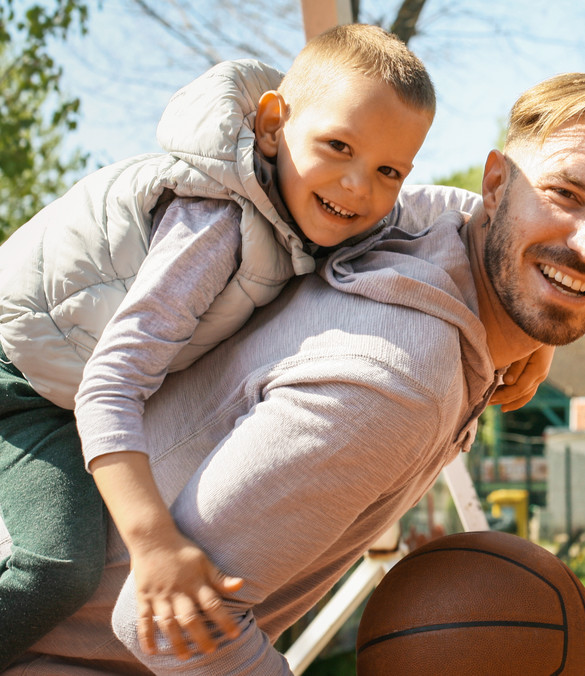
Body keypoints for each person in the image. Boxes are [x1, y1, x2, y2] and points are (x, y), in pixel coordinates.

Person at [1, 69, 585, 675]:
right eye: (566, 194)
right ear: (498, 184)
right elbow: (165, 635)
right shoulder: (396, 384)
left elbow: (453, 208)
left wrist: (544, 321)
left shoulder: (414, 229)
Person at [0, 23, 451, 667]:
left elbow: (434, 214)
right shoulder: (214, 223)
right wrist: (155, 543)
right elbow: (109, 385)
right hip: (24, 377)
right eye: (337, 146)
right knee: (58, 566)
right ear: (272, 125)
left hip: (70, 368)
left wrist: (529, 327)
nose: (359, 186)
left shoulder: (311, 207)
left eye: (388, 170)